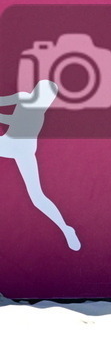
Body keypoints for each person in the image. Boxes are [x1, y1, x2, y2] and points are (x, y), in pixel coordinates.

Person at [1, 81, 80, 251]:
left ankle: (66, 229)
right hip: (8, 144)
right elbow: (1, 102)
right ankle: (66, 230)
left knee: (37, 197)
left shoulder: (38, 114)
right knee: (38, 197)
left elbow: (11, 120)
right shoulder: (23, 98)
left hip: (23, 151)